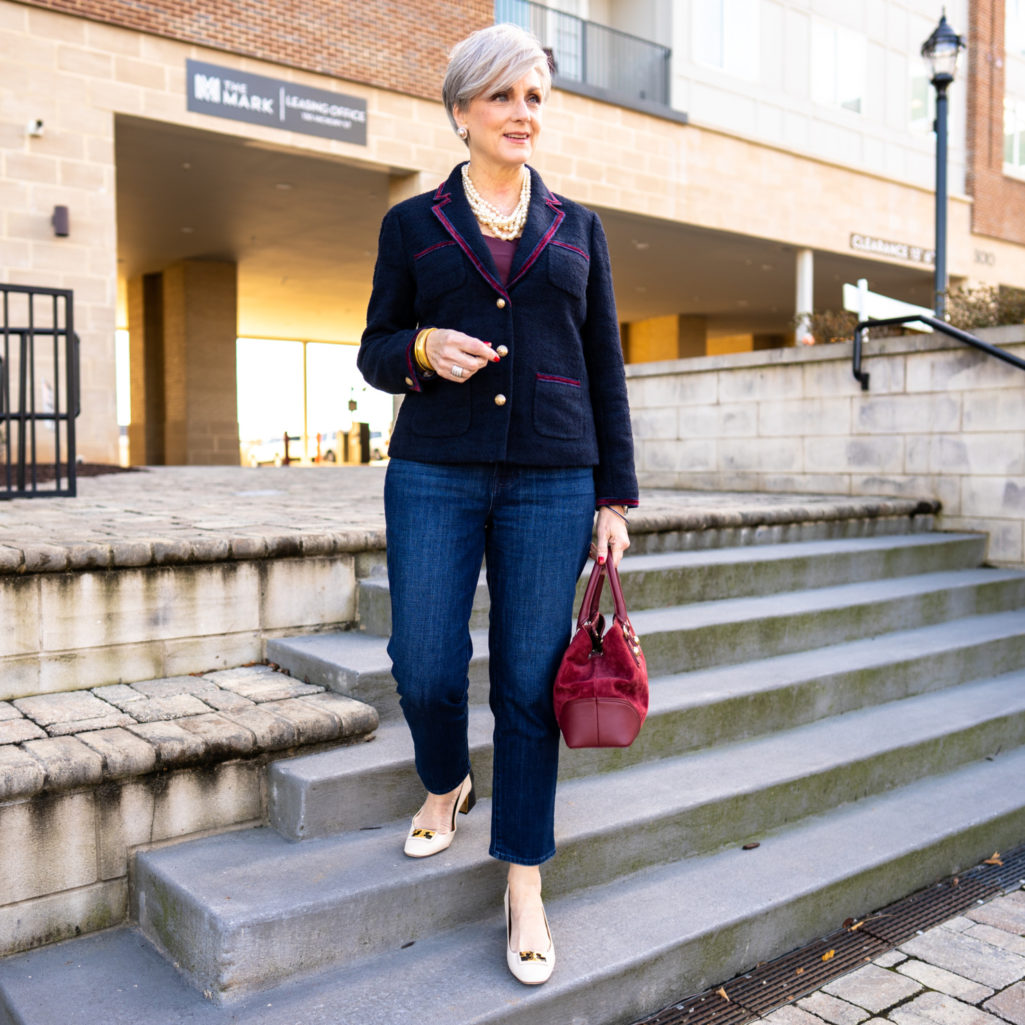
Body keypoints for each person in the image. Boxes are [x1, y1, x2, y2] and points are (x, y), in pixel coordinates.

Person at [357, 22, 637, 985]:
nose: (524, 114)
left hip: (555, 478)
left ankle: (524, 875)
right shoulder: (412, 224)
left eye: (534, 99)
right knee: (424, 660)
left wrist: (615, 496)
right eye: (504, 97)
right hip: (434, 466)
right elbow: (374, 348)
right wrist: (421, 351)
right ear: (462, 109)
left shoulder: (578, 227)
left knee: (525, 682)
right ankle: (445, 778)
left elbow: (605, 364)